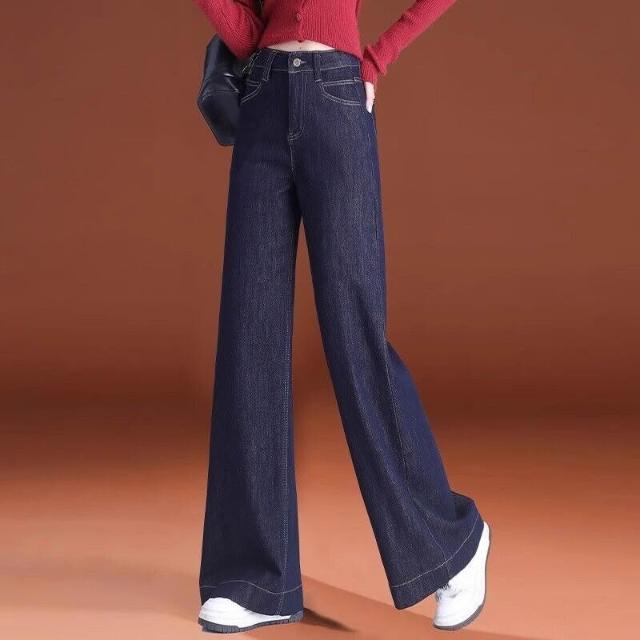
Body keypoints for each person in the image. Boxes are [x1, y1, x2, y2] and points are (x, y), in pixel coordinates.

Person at [193, 0, 491, 633]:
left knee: (356, 337)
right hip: (263, 100)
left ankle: (450, 548)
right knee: (249, 337)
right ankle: (255, 579)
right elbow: (254, 23)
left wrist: (377, 59)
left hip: (336, 97)